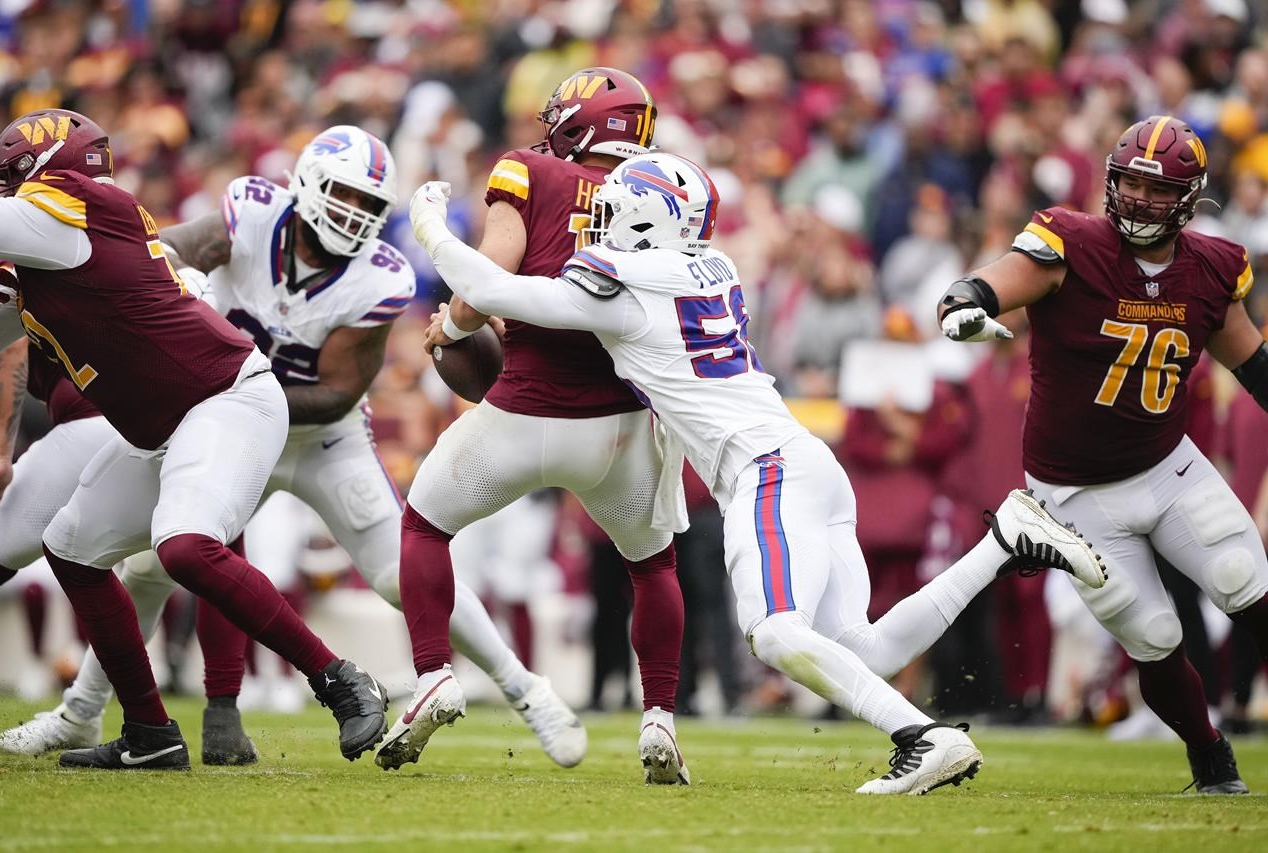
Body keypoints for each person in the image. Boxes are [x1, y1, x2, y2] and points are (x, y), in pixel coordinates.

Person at [400, 151, 1106, 795]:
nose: (603, 225)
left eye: (617, 211)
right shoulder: (716, 265)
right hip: (807, 462)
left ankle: (922, 737)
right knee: (862, 646)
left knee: (772, 632)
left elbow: (493, 291)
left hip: (764, 470)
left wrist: (431, 223)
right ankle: (1004, 541)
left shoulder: (625, 278)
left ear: (648, 219)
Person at [0, 125, 585, 769]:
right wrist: (169, 287)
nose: (353, 214)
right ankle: (123, 723)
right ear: (305, 185)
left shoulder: (378, 277)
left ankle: (525, 692)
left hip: (301, 429)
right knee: (102, 553)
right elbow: (170, 250)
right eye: (344, 196)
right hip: (197, 411)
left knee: (385, 569)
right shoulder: (248, 213)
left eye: (368, 205)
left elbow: (334, 392)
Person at [0, 108, 386, 769]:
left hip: (229, 398)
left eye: (10, 176)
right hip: (163, 425)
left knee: (185, 547)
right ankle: (150, 732)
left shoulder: (74, 212)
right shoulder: (49, 251)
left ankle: (339, 678)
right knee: (70, 546)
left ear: (43, 174)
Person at [937, 114, 1268, 794]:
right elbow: (999, 277)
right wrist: (962, 301)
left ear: (1190, 195)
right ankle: (1209, 752)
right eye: (1130, 185)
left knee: (1243, 578)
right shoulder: (1073, 241)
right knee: (1152, 633)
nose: (1141, 201)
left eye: (1158, 189)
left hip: (1167, 465)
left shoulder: (1213, 265)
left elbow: (1254, 365)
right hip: (1073, 493)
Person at [377, 68, 689, 783]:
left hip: (523, 406)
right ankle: (661, 718)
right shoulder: (670, 191)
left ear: (581, 122)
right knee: (653, 565)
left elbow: (495, 269)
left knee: (424, 525)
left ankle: (431, 674)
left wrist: (452, 325)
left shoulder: (529, 168)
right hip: (620, 424)